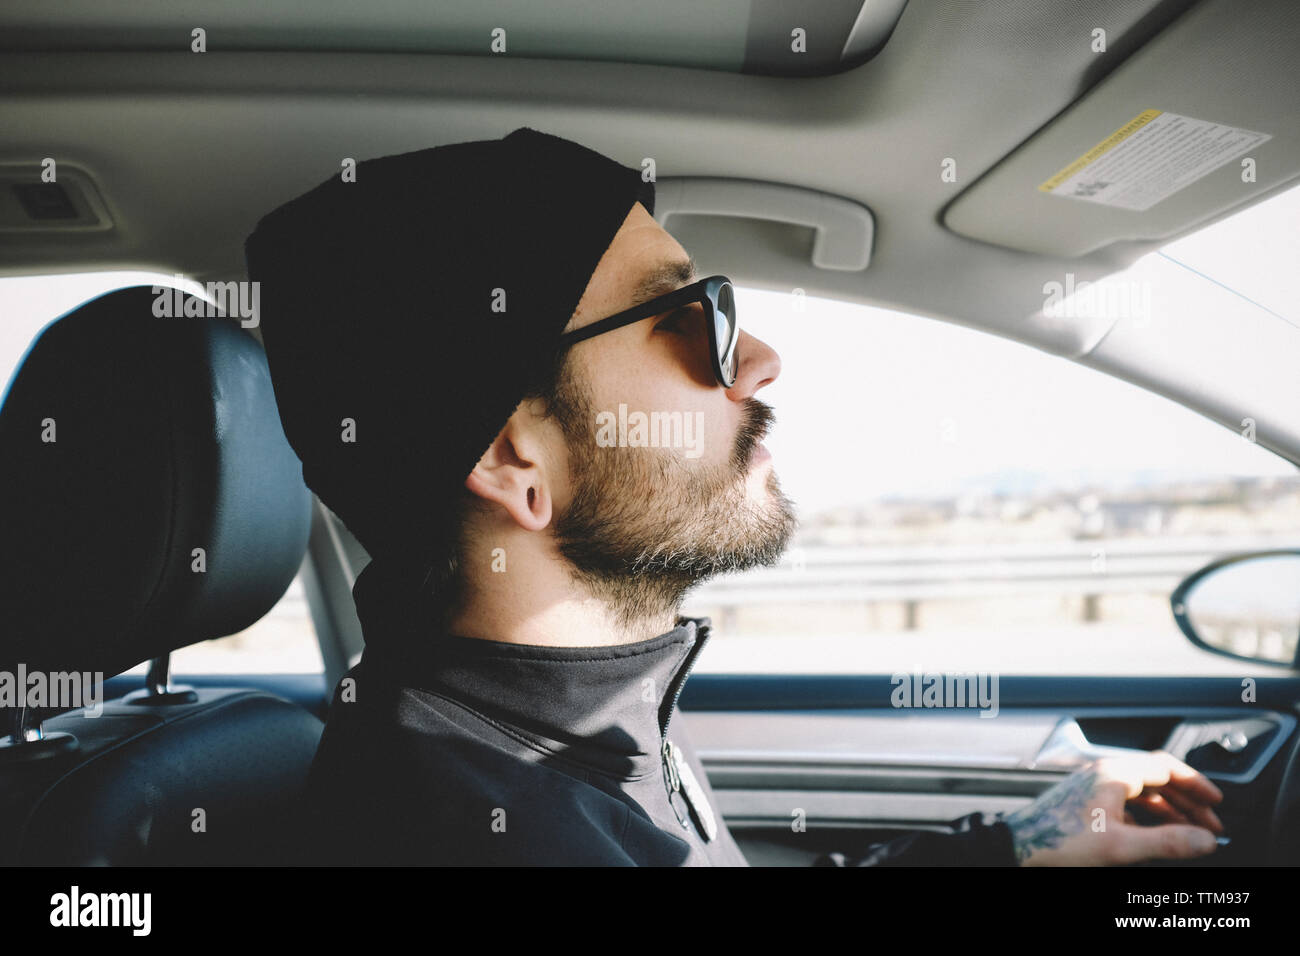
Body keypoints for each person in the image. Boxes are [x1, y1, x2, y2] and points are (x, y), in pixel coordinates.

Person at [244, 127, 1225, 866]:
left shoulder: (565, 730)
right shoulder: (496, 826)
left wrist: (1015, 846)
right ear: (512, 460)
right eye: (687, 317)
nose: (757, 359)